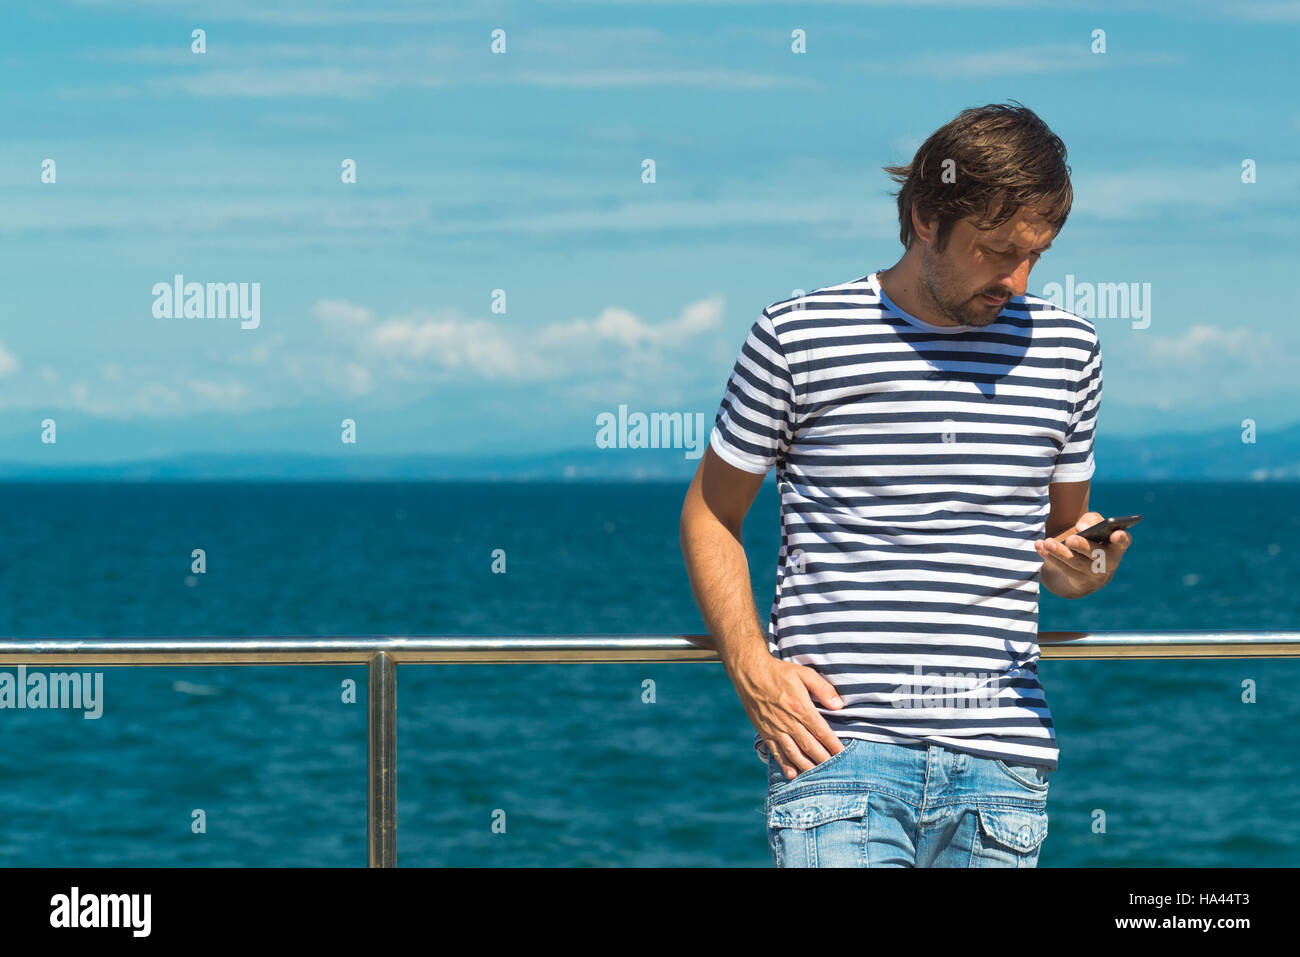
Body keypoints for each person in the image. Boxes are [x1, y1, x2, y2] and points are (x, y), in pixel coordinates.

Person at [679, 102, 1133, 867]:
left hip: (1004, 765)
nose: (1016, 281)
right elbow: (710, 513)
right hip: (839, 754)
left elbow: (1067, 543)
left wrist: (1090, 561)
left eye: (1036, 255)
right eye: (995, 251)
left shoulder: (1071, 351)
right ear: (926, 216)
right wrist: (752, 669)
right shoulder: (797, 335)